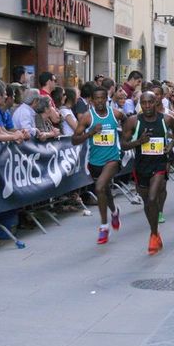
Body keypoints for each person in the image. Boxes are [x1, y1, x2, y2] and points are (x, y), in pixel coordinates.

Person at [120, 91, 174, 255]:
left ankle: (153, 236)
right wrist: (138, 142)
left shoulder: (166, 119)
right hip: (141, 167)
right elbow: (123, 144)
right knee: (147, 202)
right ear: (140, 104)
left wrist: (171, 144)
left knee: (153, 197)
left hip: (160, 164)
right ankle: (155, 231)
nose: (147, 106)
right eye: (143, 103)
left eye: (150, 102)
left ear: (156, 102)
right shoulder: (133, 121)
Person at [72, 86, 126, 244]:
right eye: (97, 99)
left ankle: (104, 227)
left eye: (103, 98)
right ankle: (115, 211)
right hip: (95, 161)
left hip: (113, 158)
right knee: (105, 190)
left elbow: (128, 124)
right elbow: (74, 140)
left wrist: (125, 139)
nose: (100, 101)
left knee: (100, 187)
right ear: (92, 100)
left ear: (107, 99)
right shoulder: (87, 118)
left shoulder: (116, 114)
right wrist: (90, 133)